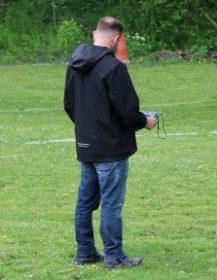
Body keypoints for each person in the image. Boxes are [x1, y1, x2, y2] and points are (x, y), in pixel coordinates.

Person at [64, 16, 156, 269]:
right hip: (111, 149)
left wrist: (87, 129)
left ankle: (85, 252)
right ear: (116, 39)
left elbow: (69, 105)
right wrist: (145, 122)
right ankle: (114, 257)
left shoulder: (73, 65)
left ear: (95, 33)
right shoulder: (114, 68)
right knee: (111, 205)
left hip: (86, 145)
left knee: (84, 202)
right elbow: (127, 111)